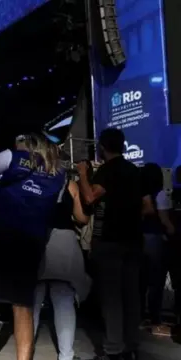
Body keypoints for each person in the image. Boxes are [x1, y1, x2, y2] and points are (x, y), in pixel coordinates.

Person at [0, 133, 65, 360]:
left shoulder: (13, 156)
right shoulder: (58, 172)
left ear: (28, 144)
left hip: (0, 236)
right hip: (31, 240)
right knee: (22, 305)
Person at [77, 128, 145, 360]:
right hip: (134, 239)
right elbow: (147, 207)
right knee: (131, 295)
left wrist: (83, 174)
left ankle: (114, 349)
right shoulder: (135, 171)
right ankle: (131, 346)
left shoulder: (108, 171)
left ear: (102, 147)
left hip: (110, 239)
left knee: (112, 298)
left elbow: (89, 197)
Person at [33, 171, 91, 360]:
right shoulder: (69, 184)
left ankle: (25, 351)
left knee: (32, 301)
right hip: (64, 243)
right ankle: (66, 355)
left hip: (37, 239)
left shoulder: (31, 179)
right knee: (64, 300)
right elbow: (82, 218)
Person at [139, 163, 175, 337]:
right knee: (156, 282)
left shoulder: (138, 194)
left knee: (142, 281)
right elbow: (164, 219)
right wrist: (172, 232)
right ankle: (155, 319)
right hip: (155, 239)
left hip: (140, 238)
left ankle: (139, 317)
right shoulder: (161, 195)